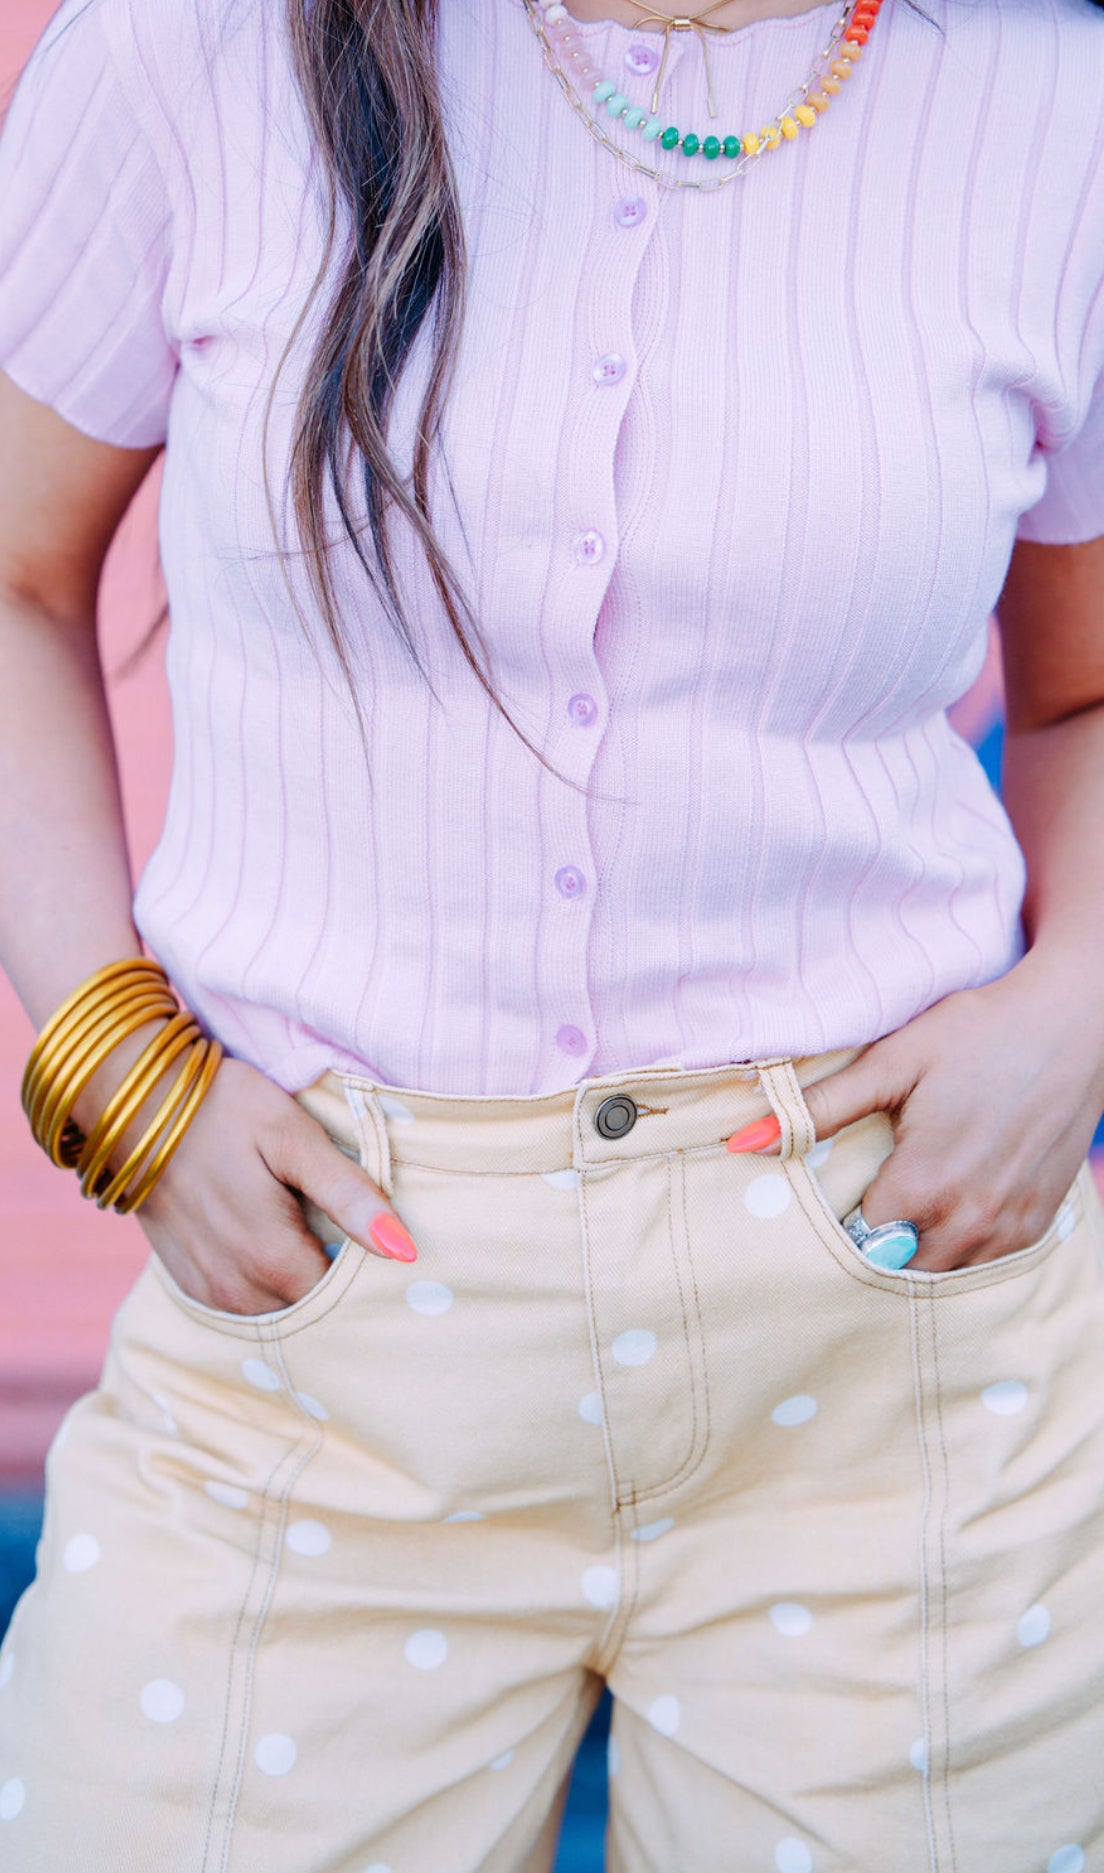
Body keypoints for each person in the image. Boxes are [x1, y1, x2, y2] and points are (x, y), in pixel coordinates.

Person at [0, 0, 1103, 1864]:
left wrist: (1077, 1009)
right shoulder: (194, 50)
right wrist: (123, 1067)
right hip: (316, 1321)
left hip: (893, 1325)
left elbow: (1081, 695)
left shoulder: (1058, 107)